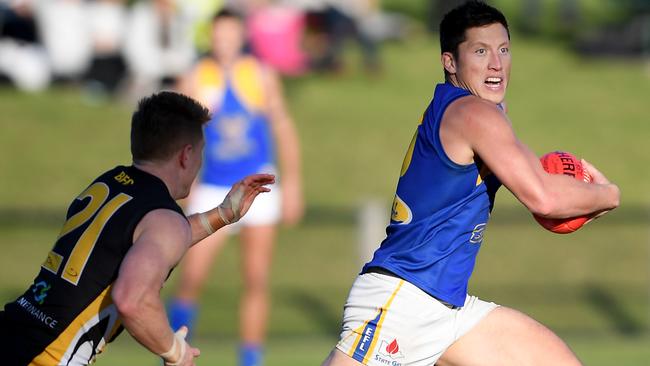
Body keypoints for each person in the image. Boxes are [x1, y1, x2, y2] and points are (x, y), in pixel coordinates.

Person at [322, 2, 620, 366]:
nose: (497, 63)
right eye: (481, 51)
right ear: (450, 62)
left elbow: (541, 183)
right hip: (403, 301)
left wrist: (583, 198)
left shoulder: (485, 114)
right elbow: (544, 199)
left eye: (504, 49)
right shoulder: (473, 113)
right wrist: (608, 194)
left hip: (448, 309)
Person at [0, 91, 275, 366]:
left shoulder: (111, 183)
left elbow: (151, 240)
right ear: (186, 155)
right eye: (201, 152)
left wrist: (223, 215)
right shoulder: (163, 219)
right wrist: (176, 352)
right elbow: (132, 299)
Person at [167, 8, 303, 366]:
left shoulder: (259, 75)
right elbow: (179, 137)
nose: (224, 42)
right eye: (218, 35)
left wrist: (293, 184)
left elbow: (283, 129)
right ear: (210, 38)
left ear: (242, 37)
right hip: (212, 188)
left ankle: (250, 359)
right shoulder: (197, 77)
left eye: (230, 35)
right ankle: (172, 353)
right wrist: (185, 184)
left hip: (257, 186)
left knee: (256, 279)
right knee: (190, 277)